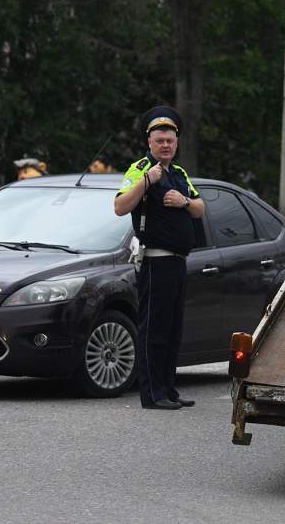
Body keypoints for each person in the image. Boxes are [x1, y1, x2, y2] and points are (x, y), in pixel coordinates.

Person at [114, 106, 206, 410]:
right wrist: (147, 181)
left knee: (172, 329)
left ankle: (168, 389)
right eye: (159, 141)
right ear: (149, 142)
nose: (165, 145)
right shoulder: (140, 169)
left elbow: (200, 208)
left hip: (178, 261)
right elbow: (120, 206)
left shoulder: (178, 173)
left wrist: (184, 201)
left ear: (176, 143)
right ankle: (152, 394)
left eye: (169, 140)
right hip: (156, 261)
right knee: (154, 329)